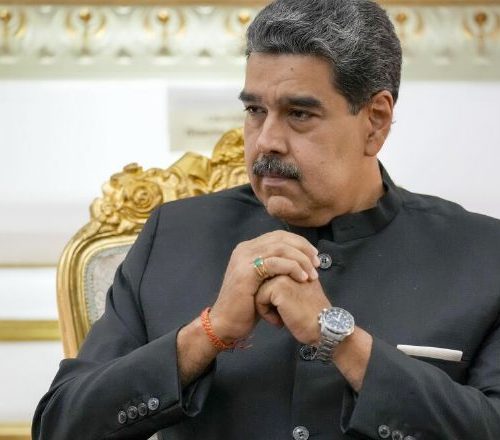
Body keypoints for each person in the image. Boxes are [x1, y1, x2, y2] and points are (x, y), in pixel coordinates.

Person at [33, 0, 500, 439]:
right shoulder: (172, 236)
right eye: (255, 111)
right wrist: (208, 334)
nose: (266, 141)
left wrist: (342, 342)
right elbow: (61, 425)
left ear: (375, 121)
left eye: (299, 114)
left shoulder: (483, 256)